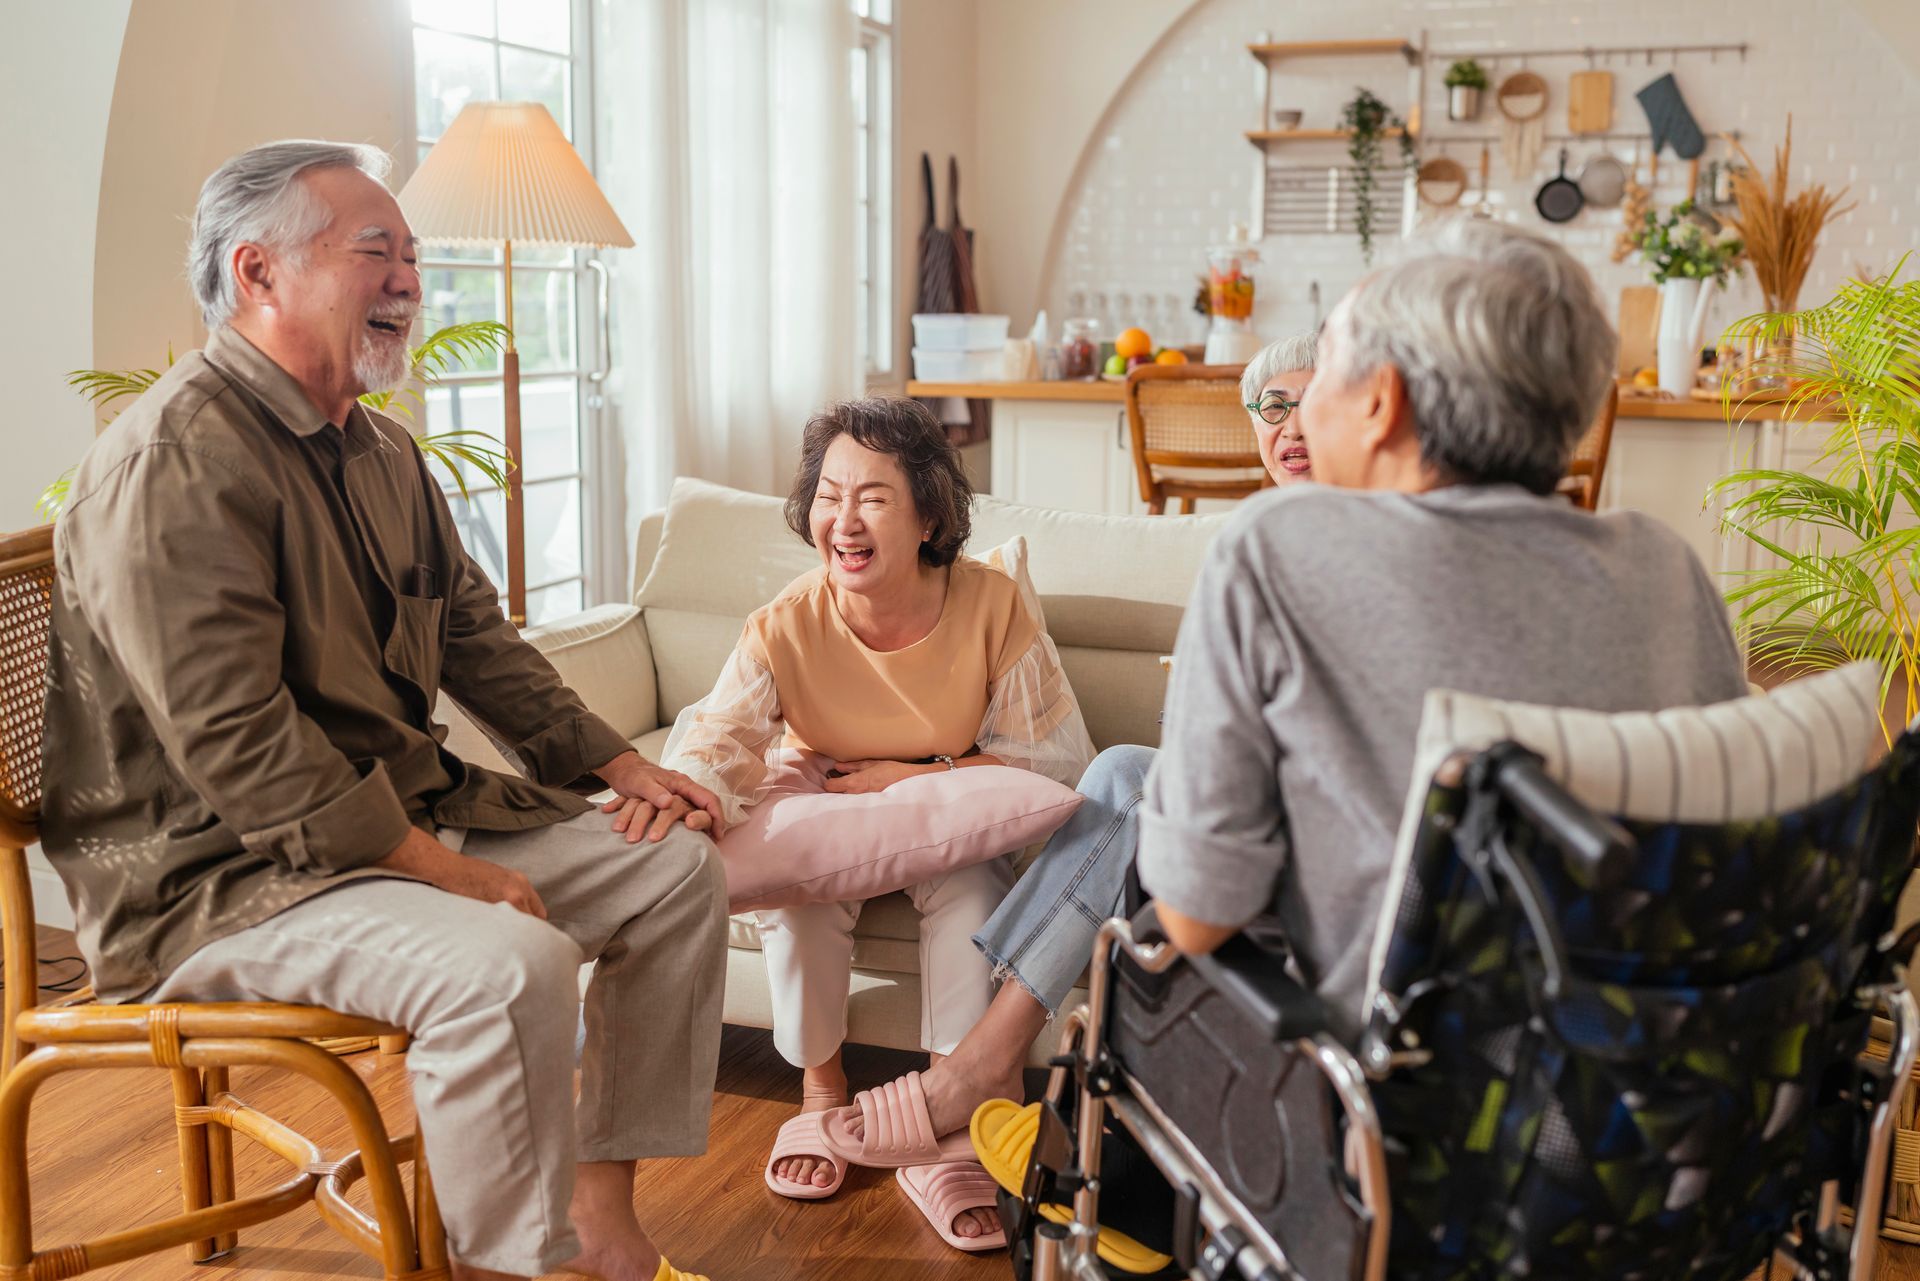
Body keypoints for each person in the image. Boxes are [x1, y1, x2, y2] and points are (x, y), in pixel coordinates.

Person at [815, 221, 1749, 1173]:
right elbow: (1723, 846)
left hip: (1369, 1109)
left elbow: (1195, 909)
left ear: (1381, 402)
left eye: (1329, 376)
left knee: (1146, 817)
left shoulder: (1275, 555)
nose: (1294, 420)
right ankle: (990, 1076)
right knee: (1134, 779)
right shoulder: (1667, 570)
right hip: (1639, 1109)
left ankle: (1059, 1132)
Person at [42, 140, 728, 1281]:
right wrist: (450, 873)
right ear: (258, 274)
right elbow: (239, 748)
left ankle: (604, 1223)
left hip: (380, 834)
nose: (411, 278)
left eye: (412, 254)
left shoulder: (381, 449)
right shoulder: (171, 463)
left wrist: (620, 766)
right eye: (378, 252)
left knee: (675, 872)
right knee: (509, 964)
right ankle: (520, 1268)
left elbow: (472, 635)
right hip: (220, 885)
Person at [655, 397, 1094, 1241]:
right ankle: (823, 1093)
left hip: (948, 802)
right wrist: (679, 804)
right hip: (822, 788)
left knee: (973, 897)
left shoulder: (991, 603)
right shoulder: (784, 622)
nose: (843, 521)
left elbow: (1055, 758)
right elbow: (721, 737)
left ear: (930, 511)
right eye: (828, 494)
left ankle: (947, 1118)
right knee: (799, 893)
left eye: (874, 497)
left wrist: (917, 774)